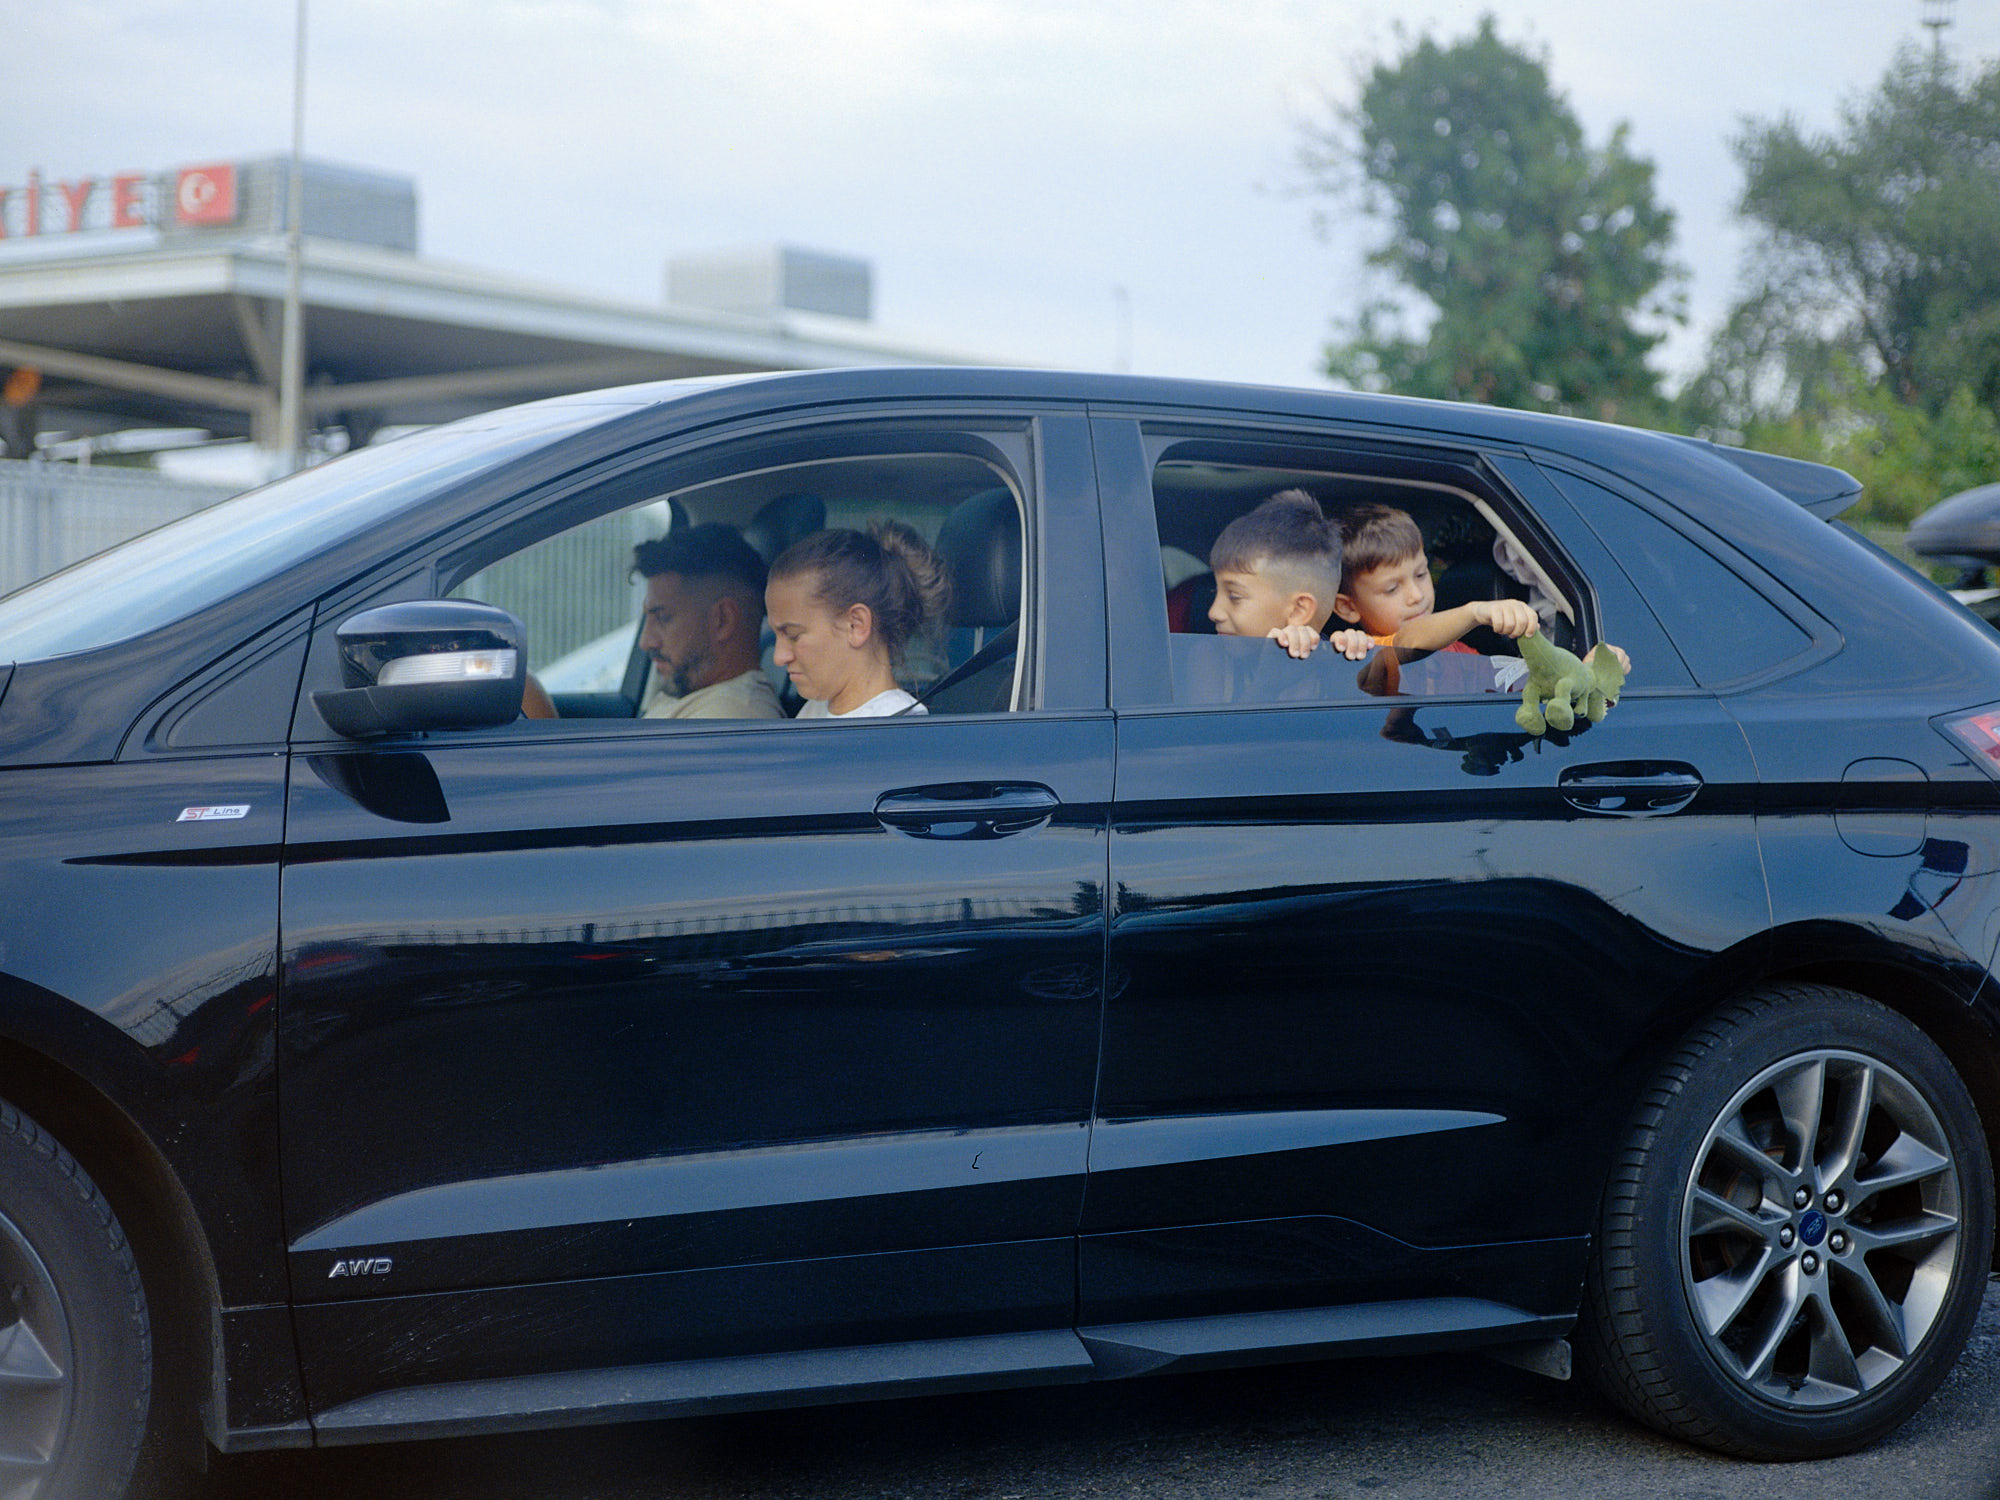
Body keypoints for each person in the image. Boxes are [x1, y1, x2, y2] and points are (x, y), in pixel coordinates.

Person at [765, 521, 951, 718]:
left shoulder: (898, 728)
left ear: (856, 625)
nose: (779, 657)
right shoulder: (816, 709)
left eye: (793, 635)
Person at [630, 525, 785, 719]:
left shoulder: (729, 716)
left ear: (722, 620)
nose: (645, 642)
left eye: (662, 618)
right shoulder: (693, 693)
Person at [1205, 490, 1375, 657]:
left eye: (1234, 596)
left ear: (1298, 610)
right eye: (1216, 591)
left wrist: (1352, 659)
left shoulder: (1335, 663)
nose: (1214, 612)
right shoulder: (1210, 656)